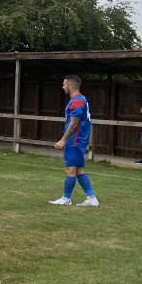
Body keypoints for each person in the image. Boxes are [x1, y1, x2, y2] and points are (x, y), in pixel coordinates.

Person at [50, 75, 99, 207]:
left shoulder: (77, 101)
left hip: (75, 140)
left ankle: (66, 198)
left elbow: (74, 123)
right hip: (78, 139)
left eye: (64, 84)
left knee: (70, 168)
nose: (63, 86)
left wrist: (63, 140)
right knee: (78, 170)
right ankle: (91, 198)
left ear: (71, 86)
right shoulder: (81, 99)